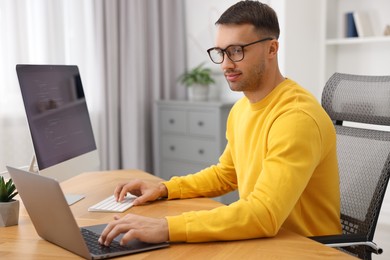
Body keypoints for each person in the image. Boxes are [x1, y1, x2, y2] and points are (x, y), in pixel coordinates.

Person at [99, 0, 341, 246]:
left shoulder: (296, 118)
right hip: (265, 240)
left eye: (237, 50)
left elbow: (264, 214)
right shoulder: (241, 109)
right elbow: (226, 175)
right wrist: (164, 189)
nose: (225, 64)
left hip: (305, 248)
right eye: (220, 52)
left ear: (272, 49)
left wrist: (167, 227)